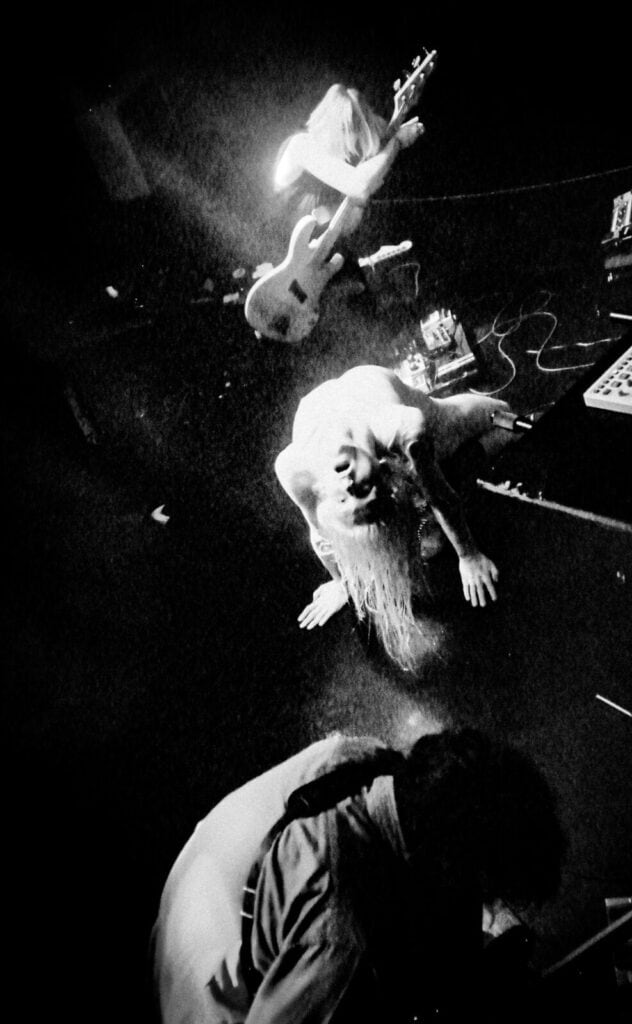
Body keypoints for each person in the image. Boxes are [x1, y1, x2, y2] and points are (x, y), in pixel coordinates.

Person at [152, 728, 565, 1024]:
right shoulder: (339, 944)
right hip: (201, 971)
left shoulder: (381, 765)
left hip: (213, 869)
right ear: (447, 870)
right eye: (486, 894)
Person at [274, 365, 511, 671]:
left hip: (371, 384)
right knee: (504, 434)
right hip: (376, 422)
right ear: (385, 473)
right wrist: (341, 583)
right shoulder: (298, 472)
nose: (349, 483)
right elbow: (320, 535)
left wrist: (468, 555)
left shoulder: (402, 426)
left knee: (502, 413)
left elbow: (439, 496)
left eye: (346, 497)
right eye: (361, 492)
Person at [273, 83, 424, 243]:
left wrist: (401, 115)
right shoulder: (301, 145)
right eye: (348, 136)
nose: (350, 149)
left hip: (317, 252)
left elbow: (346, 224)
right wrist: (396, 142)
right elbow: (359, 186)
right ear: (335, 126)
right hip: (277, 249)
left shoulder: (336, 167)